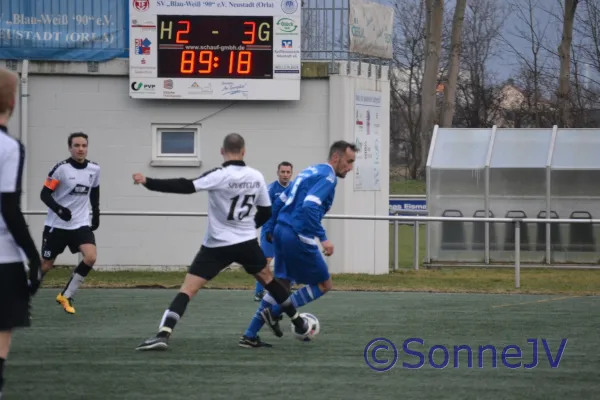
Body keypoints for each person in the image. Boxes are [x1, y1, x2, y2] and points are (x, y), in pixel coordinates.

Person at [133, 133, 310, 351]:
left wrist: (148, 182)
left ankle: (163, 334)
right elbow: (266, 211)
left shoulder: (219, 175)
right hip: (246, 243)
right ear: (244, 151)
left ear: (222, 151)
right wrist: (248, 226)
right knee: (270, 282)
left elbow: (186, 186)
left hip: (217, 245)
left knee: (188, 290)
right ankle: (299, 322)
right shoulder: (256, 176)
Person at [241, 141, 356, 344]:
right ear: (336, 158)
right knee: (324, 284)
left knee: (282, 284)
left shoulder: (309, 171)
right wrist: (323, 238)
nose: (350, 167)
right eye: (349, 161)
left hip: (281, 231)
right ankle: (274, 312)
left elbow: (280, 201)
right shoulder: (328, 177)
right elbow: (310, 206)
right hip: (297, 235)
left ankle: (250, 335)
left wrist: (271, 228)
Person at [0, 67, 42, 398]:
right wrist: (33, 258)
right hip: (3, 257)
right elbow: (9, 207)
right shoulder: (10, 147)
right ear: (12, 101)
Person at [39, 132, 101, 314]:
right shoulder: (61, 169)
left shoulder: (94, 169)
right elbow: (44, 194)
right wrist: (59, 210)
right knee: (46, 265)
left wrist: (96, 213)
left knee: (90, 257)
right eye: (76, 145)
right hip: (57, 225)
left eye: (84, 145)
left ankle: (66, 295)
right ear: (70, 148)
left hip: (80, 224)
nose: (80, 149)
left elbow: (95, 191)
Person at [253, 161, 293, 301]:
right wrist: (269, 230)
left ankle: (285, 289)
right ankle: (259, 292)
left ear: (291, 173)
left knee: (290, 260)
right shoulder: (270, 189)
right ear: (278, 173)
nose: (285, 175)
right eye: (283, 172)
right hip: (270, 229)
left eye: (288, 172)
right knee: (266, 261)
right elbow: (266, 211)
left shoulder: (294, 189)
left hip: (286, 230)